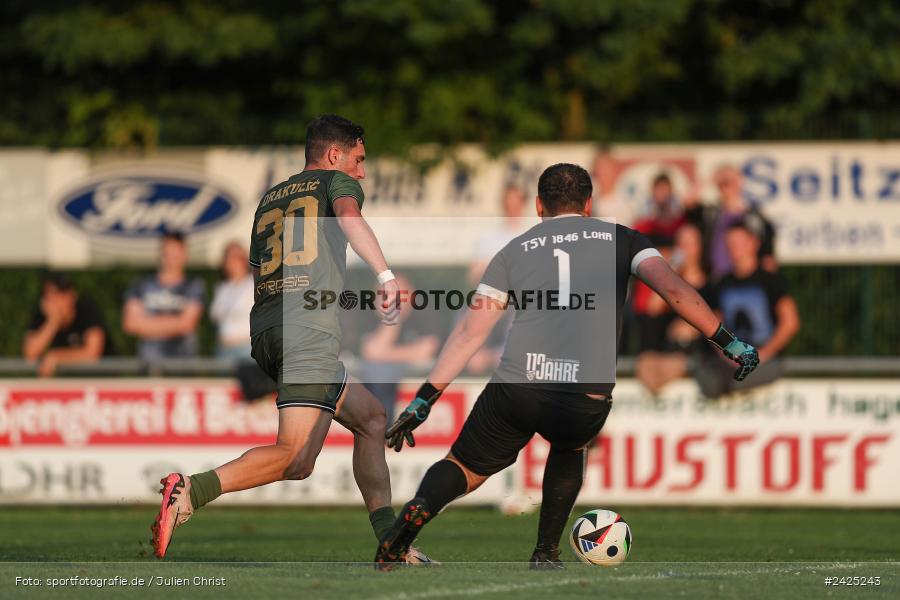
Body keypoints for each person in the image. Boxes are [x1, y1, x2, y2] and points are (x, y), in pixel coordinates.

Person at [373, 163, 760, 569]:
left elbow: (470, 332)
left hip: (518, 385)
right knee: (570, 447)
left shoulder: (513, 250)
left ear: (539, 206)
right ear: (589, 204)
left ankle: (414, 518)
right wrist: (727, 341)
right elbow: (673, 290)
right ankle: (546, 552)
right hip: (584, 392)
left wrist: (425, 398)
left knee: (464, 467)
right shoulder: (624, 240)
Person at [150, 114, 432, 564]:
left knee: (371, 419)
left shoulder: (271, 198)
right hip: (305, 331)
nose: (362, 172)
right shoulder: (335, 183)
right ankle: (190, 491)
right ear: (334, 154)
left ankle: (391, 542)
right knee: (294, 456)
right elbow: (349, 215)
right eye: (359, 159)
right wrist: (385, 276)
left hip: (267, 329)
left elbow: (259, 271)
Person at [694, 221, 800, 398]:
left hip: (766, 360)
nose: (735, 249)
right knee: (708, 378)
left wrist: (764, 354)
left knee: (730, 380)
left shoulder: (771, 280)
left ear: (754, 243)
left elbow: (790, 322)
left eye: (740, 243)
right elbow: (713, 327)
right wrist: (730, 356)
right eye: (731, 245)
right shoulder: (721, 284)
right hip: (731, 361)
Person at [359, 273, 441, 423]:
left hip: (420, 378)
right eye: (388, 296)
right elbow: (372, 353)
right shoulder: (363, 316)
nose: (395, 301)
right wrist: (393, 317)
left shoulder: (424, 314)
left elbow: (428, 349)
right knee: (380, 371)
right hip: (377, 381)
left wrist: (385, 354)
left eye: (400, 296)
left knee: (382, 370)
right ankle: (382, 427)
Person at [684, 164, 776, 281]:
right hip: (716, 278)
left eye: (730, 182)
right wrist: (710, 179)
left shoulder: (754, 217)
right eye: (722, 183)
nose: (726, 187)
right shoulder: (711, 213)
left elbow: (768, 252)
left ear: (739, 182)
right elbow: (688, 202)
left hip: (746, 278)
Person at [122, 232, 205, 362]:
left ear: (184, 255)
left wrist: (146, 324)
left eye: (175, 254)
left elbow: (187, 324)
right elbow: (131, 324)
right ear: (161, 253)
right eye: (168, 253)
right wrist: (174, 323)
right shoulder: (141, 284)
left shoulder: (193, 286)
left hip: (183, 363)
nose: (171, 258)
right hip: (149, 363)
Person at [23, 272, 111, 377]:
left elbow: (93, 353)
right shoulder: (41, 315)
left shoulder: (86, 309)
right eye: (51, 296)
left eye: (62, 295)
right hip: (65, 382)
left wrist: (56, 357)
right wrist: (52, 321)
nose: (57, 302)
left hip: (99, 379)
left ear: (73, 296)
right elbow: (30, 354)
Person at [210, 241, 255, 360]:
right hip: (223, 349)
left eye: (236, 257)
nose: (232, 262)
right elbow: (215, 318)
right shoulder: (222, 289)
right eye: (228, 258)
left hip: (247, 350)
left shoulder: (254, 284)